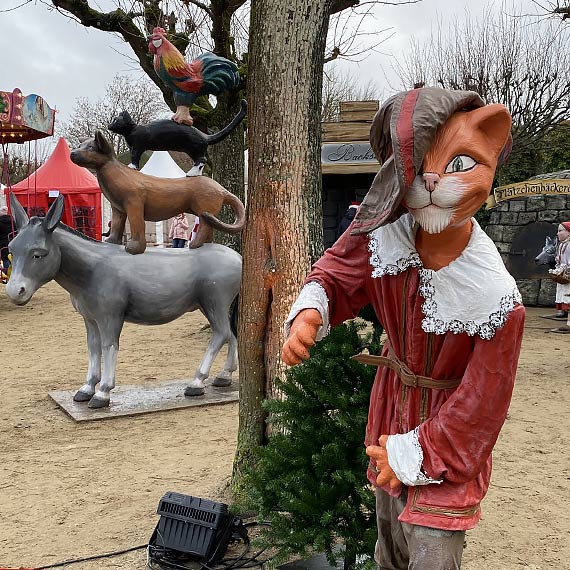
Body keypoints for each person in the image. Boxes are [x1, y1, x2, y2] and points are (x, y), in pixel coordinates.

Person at [281, 88, 525, 570]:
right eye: (416, 168)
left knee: (432, 551)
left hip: (448, 447)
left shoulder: (498, 301)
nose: (432, 181)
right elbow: (338, 271)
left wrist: (416, 454)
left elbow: (481, 406)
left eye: (460, 164)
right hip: (389, 413)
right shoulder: (384, 235)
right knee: (389, 545)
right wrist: (312, 310)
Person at [549, 221, 570, 333]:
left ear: (568, 232)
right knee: (564, 295)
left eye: (560, 231)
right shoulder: (562, 245)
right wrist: (557, 271)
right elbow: (559, 260)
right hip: (564, 274)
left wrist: (566, 272)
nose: (558, 233)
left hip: (568, 274)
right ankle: (565, 318)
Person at [0, 206, 15, 272]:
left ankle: (7, 272)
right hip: (12, 242)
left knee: (5, 258)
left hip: (2, 243)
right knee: (12, 258)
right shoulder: (12, 221)